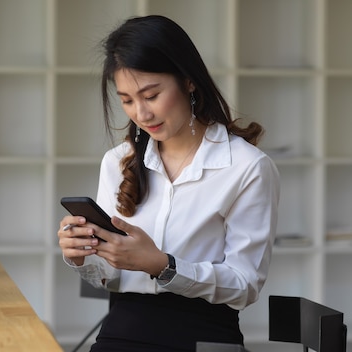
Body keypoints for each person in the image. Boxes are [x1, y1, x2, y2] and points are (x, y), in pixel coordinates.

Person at [57, 15, 280, 351]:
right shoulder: (117, 162)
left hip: (205, 336)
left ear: (189, 81)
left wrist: (163, 265)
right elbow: (107, 276)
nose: (141, 114)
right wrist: (81, 255)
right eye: (127, 100)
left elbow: (245, 285)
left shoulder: (248, 168)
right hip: (122, 331)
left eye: (151, 94)